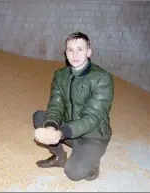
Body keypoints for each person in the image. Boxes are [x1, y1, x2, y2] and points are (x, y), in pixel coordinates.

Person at [32, 31, 114, 181]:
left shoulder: (102, 78)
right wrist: (51, 127)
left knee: (74, 173)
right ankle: (59, 157)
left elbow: (92, 118)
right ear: (66, 53)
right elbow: (55, 105)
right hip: (69, 130)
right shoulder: (60, 75)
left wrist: (62, 132)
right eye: (70, 50)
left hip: (93, 136)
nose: (74, 54)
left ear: (89, 52)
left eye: (80, 49)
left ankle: (92, 158)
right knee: (40, 117)